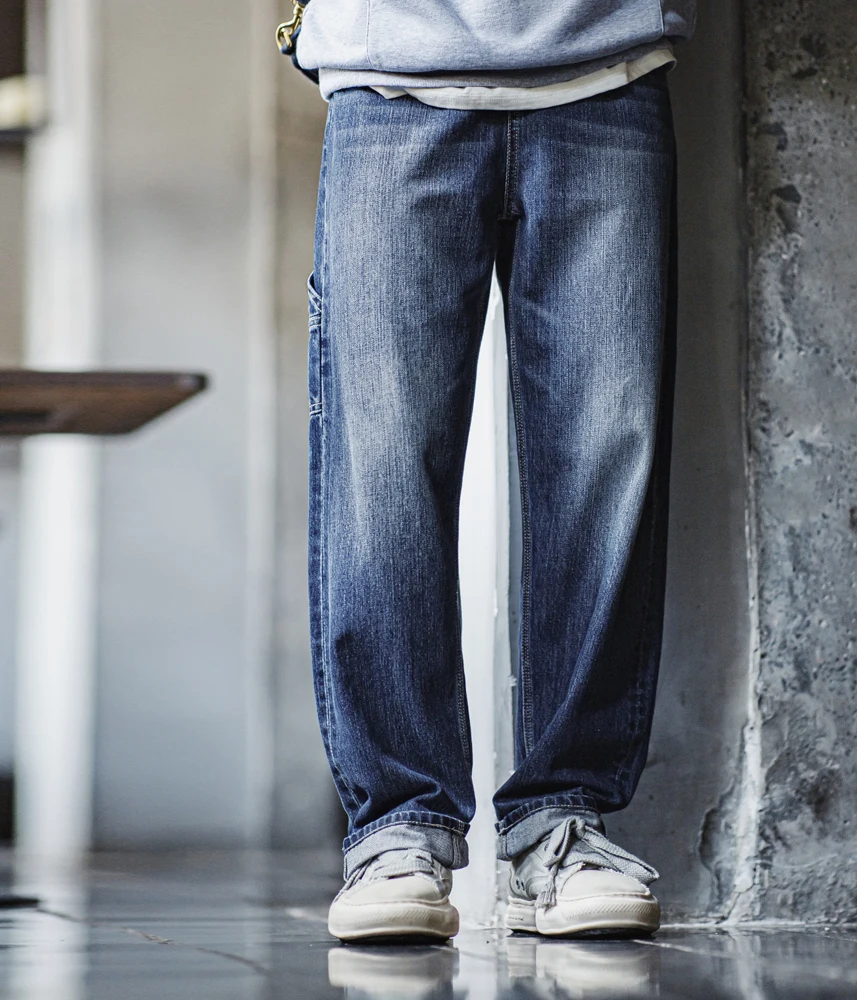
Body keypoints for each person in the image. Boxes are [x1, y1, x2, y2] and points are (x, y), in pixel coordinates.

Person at [282, 0, 696, 942]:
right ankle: (398, 828)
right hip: (390, 78)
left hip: (608, 68)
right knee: (382, 472)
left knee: (604, 465)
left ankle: (565, 822)